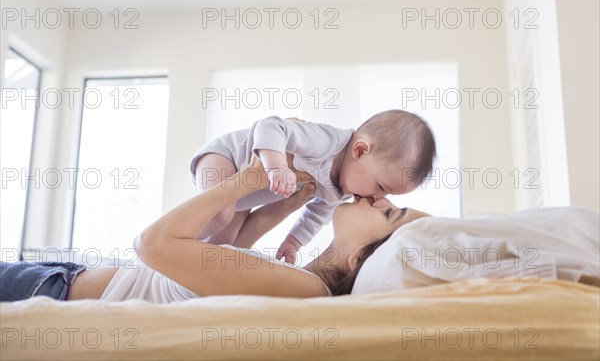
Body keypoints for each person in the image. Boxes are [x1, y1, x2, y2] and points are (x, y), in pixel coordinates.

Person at [0, 157, 431, 302]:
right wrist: (290, 203)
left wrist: (249, 177)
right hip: (61, 278)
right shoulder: (300, 281)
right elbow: (219, 255)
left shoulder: (306, 292)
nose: (380, 198)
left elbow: (152, 244)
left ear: (359, 258)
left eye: (390, 214)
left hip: (52, 290)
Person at [190, 110, 436, 263]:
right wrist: (276, 167)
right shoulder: (327, 141)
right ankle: (176, 238)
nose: (377, 197)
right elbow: (271, 125)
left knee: (222, 247)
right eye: (381, 186)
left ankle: (182, 266)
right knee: (220, 215)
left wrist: (294, 242)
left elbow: (316, 217)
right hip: (226, 158)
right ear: (360, 150)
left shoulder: (340, 190)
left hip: (243, 195)